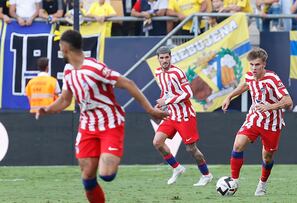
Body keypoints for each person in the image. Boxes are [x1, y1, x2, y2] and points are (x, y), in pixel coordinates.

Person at [36, 30, 168, 203]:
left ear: (66, 47)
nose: (59, 49)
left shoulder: (95, 68)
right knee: (88, 177)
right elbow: (65, 100)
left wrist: (150, 109)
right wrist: (48, 109)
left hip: (110, 123)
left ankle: (106, 153)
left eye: (60, 45)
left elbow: (128, 83)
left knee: (106, 174)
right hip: (87, 126)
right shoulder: (68, 71)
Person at [222, 48, 293, 196]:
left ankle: (262, 184)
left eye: (257, 65)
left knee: (267, 157)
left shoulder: (272, 79)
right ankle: (234, 181)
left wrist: (270, 107)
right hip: (254, 118)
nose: (254, 68)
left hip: (272, 124)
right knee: (238, 144)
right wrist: (229, 97)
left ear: (264, 64)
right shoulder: (249, 76)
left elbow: (288, 102)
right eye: (252, 65)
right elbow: (245, 85)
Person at [153, 46, 213, 186]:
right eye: (161, 58)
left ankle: (206, 175)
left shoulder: (177, 73)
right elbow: (166, 92)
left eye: (167, 57)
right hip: (171, 115)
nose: (164, 60)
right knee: (157, 142)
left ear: (170, 57)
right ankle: (177, 168)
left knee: (191, 149)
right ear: (158, 59)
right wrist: (160, 105)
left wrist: (166, 101)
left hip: (185, 115)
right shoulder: (158, 72)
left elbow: (188, 94)